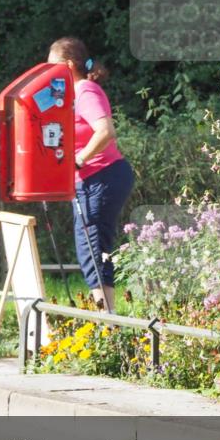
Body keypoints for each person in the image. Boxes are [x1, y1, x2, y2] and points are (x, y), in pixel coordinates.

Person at [47, 37, 135, 311]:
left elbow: (106, 132)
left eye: (53, 66)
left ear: (69, 65)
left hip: (101, 177)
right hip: (93, 179)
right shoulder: (74, 93)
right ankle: (107, 322)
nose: (48, 73)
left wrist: (79, 161)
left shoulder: (85, 90)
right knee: (91, 250)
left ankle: (108, 326)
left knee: (93, 250)